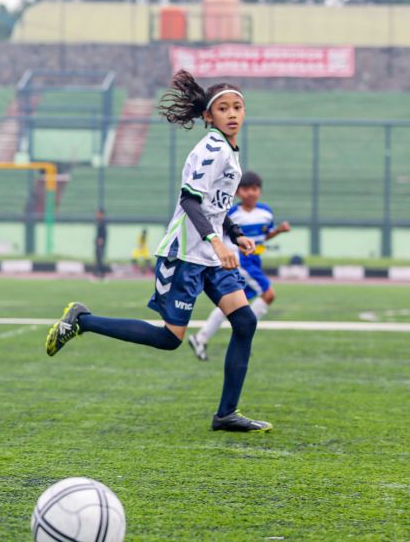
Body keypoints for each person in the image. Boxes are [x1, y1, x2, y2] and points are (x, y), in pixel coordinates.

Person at [45, 70, 271, 432]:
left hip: (210, 256)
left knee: (244, 321)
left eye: (238, 107)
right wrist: (216, 240)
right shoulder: (212, 150)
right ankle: (83, 320)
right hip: (185, 253)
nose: (232, 113)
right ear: (208, 117)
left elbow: (215, 206)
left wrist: (234, 233)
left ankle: (226, 414)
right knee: (170, 339)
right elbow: (190, 200)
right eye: (224, 108)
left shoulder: (228, 150)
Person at [189, 171, 290, 361]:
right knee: (268, 295)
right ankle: (244, 338)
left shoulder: (266, 212)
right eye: (245, 189)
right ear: (237, 192)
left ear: (260, 191)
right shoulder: (232, 213)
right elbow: (225, 235)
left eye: (254, 189)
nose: (250, 193)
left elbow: (263, 236)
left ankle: (200, 337)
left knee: (232, 304)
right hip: (240, 261)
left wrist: (278, 231)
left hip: (254, 261)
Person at [93, 209, 108, 279]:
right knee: (98, 258)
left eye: (98, 213)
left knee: (100, 257)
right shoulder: (99, 221)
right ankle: (97, 272)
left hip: (100, 242)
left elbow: (103, 233)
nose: (97, 215)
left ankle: (101, 272)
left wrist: (100, 240)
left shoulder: (103, 222)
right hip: (98, 242)